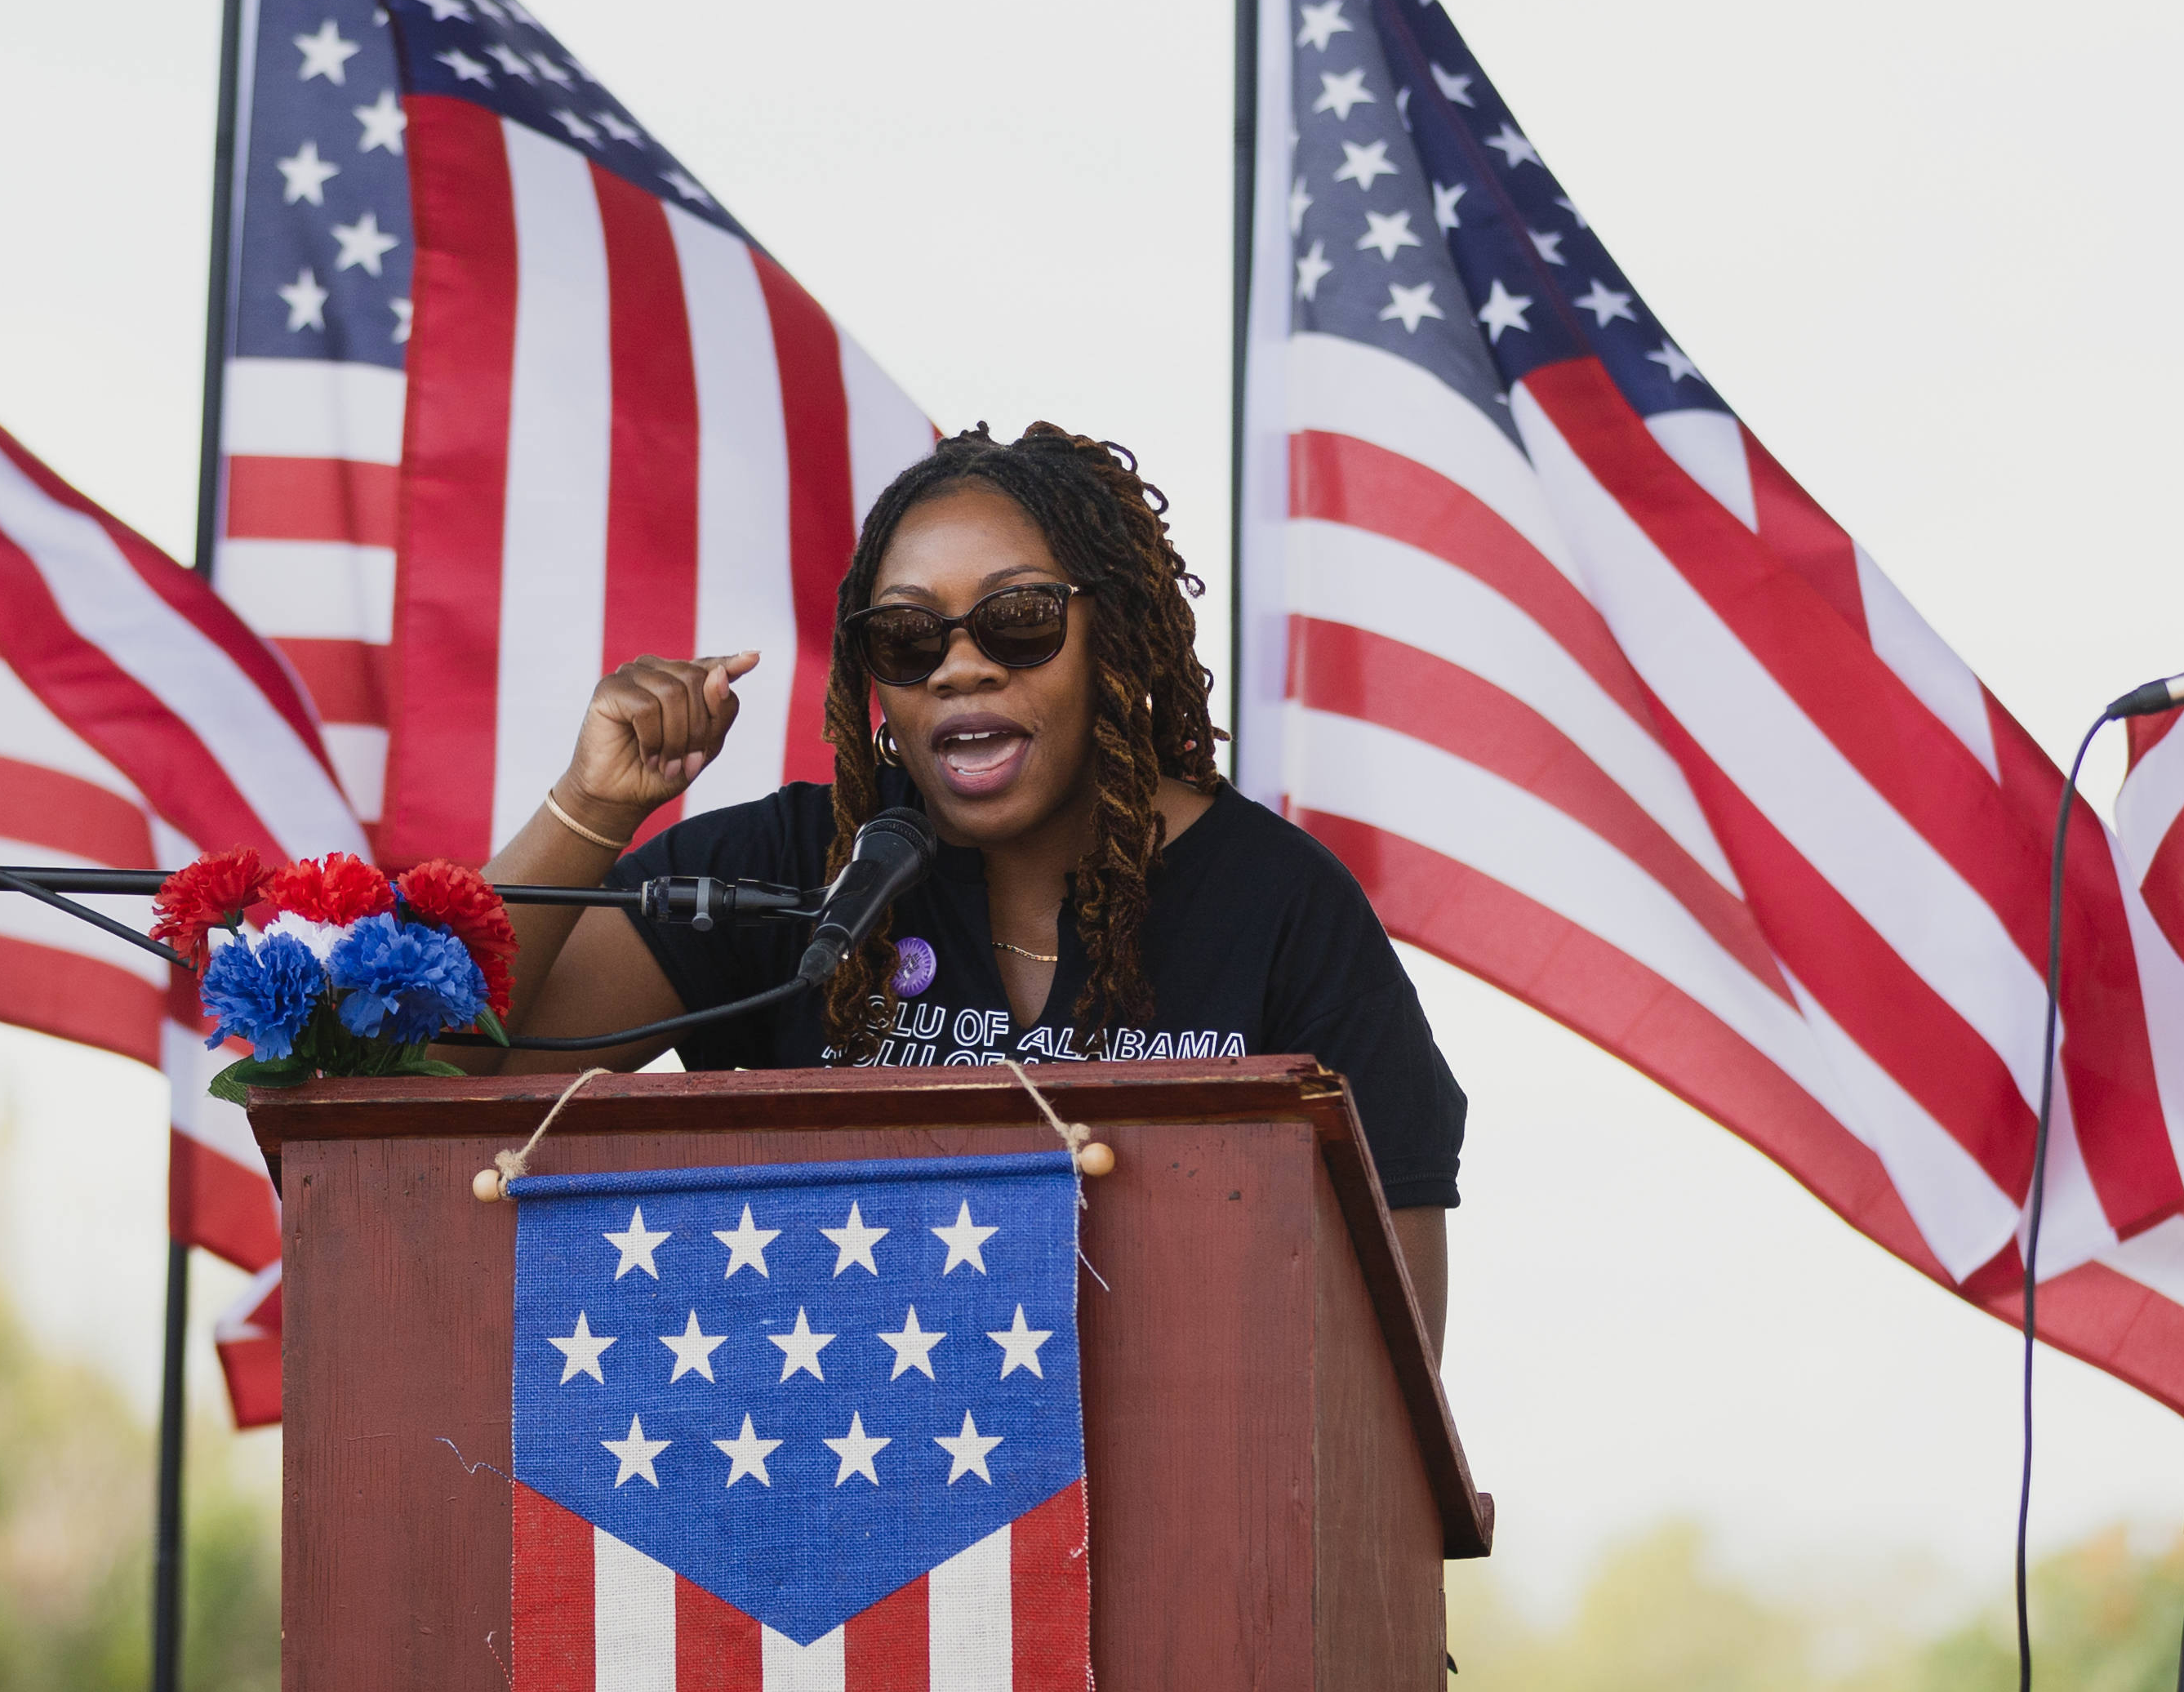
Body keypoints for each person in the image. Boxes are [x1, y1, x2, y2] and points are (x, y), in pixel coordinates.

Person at [485, 421, 1468, 1334]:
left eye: (1018, 618)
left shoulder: (1282, 906)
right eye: (909, 638)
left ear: (1112, 638)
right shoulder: (800, 865)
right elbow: (456, 1062)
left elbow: (1394, 1348)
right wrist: (592, 803)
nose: (960, 667)